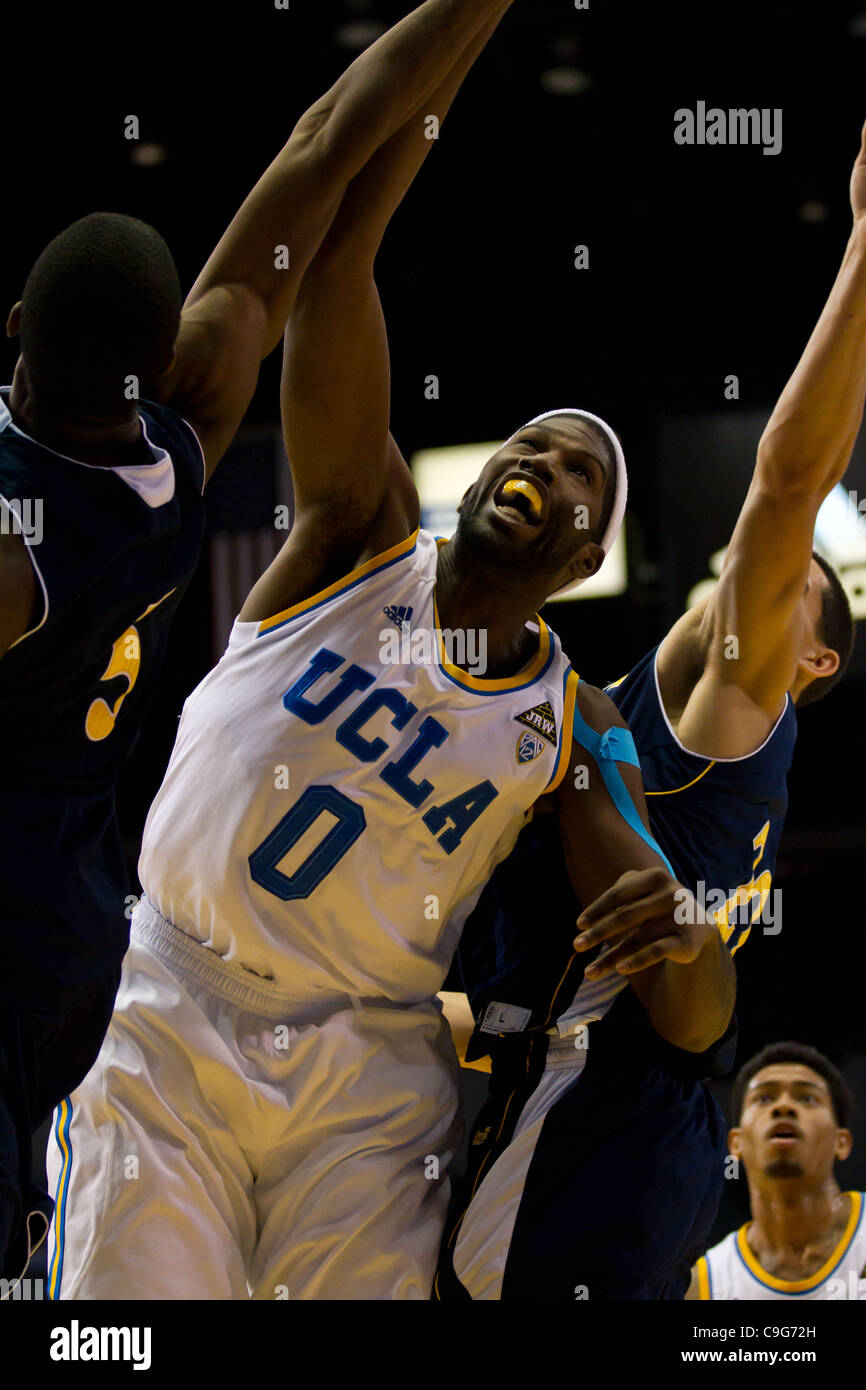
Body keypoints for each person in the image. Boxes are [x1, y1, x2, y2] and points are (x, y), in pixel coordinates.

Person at [46, 2, 734, 1300]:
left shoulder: (570, 720)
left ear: (588, 559)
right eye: (532, 439)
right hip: (172, 1008)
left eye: (581, 468)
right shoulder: (354, 538)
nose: (543, 458)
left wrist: (686, 935)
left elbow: (690, 1016)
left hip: (363, 1080)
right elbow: (337, 237)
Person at [0, 0, 542, 1290]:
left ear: (17, 323)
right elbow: (324, 140)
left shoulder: (14, 557)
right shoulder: (186, 421)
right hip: (88, 938)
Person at [435, 118, 864, 1302]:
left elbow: (787, 481)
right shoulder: (588, 703)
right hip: (568, 1095)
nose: (757, 574)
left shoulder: (734, 711)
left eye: (790, 590)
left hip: (605, 1113)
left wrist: (864, 242)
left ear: (810, 662)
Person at [688, 1042, 864, 1300]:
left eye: (807, 1097)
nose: (783, 1107)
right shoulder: (701, 1287)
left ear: (842, 1142)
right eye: (764, 1098)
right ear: (736, 1143)